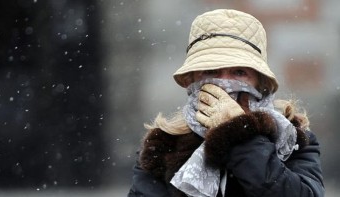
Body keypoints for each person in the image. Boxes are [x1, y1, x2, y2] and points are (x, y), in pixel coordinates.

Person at [127, 9, 325, 197]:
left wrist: (239, 134)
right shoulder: (162, 146)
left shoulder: (291, 141)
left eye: (239, 72)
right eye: (211, 72)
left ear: (260, 84)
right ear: (191, 81)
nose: (224, 84)